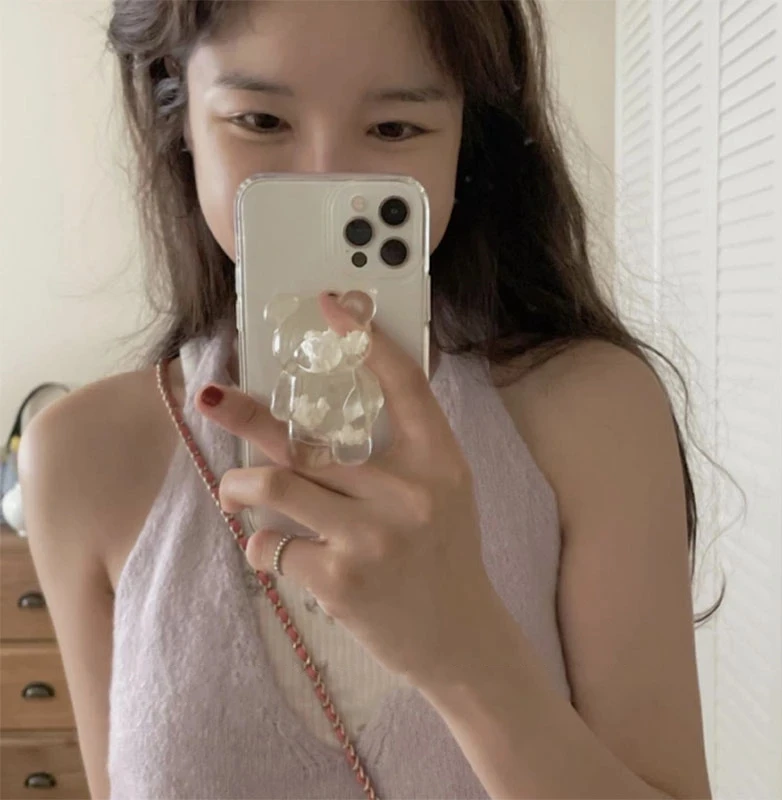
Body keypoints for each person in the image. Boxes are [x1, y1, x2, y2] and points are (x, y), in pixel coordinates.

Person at [18, 1, 714, 798]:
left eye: (393, 128)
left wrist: (466, 657)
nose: (327, 182)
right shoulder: (79, 457)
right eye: (260, 120)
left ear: (466, 137)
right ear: (178, 106)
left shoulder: (595, 417)